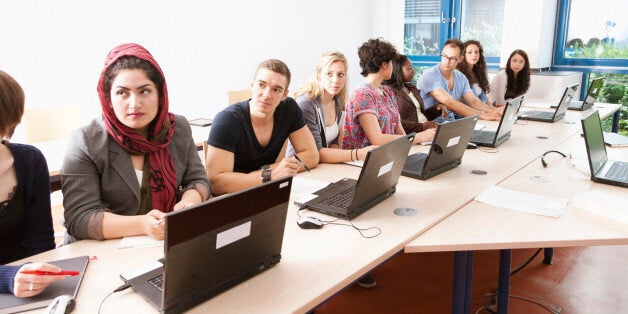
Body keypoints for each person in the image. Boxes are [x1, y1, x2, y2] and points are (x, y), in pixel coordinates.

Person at [62, 43, 210, 243]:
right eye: (122, 93)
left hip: (167, 240)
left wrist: (189, 201)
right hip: (105, 249)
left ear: (160, 95)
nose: (134, 103)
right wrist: (142, 225)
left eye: (145, 91)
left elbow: (198, 180)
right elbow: (80, 218)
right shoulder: (86, 140)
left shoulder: (178, 128)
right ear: (108, 98)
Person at [206, 59, 318, 196]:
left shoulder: (289, 109)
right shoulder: (226, 121)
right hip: (234, 198)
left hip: (267, 190)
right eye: (261, 85)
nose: (266, 95)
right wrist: (269, 175)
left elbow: (311, 156)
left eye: (276, 89)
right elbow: (215, 184)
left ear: (284, 95)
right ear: (252, 85)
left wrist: (272, 174)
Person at [0, 69, 64, 297]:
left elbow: (41, 244)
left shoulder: (29, 161)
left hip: (29, 289)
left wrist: (38, 275)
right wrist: (9, 279)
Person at [341, 38, 436, 150]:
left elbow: (401, 134)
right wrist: (419, 137)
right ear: (384, 64)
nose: (393, 67)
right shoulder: (362, 95)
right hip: (363, 162)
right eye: (391, 62)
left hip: (388, 156)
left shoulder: (387, 92)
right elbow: (377, 139)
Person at [289, 51, 375, 163]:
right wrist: (358, 154)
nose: (335, 80)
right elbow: (316, 152)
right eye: (329, 74)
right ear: (318, 76)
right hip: (301, 169)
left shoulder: (339, 102)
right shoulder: (306, 104)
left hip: (323, 166)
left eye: (340, 74)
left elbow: (334, 141)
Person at [417, 38, 501, 123]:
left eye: (453, 58)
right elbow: (449, 102)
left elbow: (473, 102)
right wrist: (485, 116)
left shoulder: (461, 78)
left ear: (460, 59)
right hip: (430, 128)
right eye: (445, 56)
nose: (447, 61)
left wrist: (496, 113)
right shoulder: (430, 75)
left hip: (451, 125)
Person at [383, 54, 439, 134]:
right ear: (397, 70)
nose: (413, 71)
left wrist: (437, 109)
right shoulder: (388, 91)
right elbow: (394, 122)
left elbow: (418, 115)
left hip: (425, 133)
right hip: (410, 135)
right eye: (409, 68)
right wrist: (422, 126)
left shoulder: (412, 89)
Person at [456, 40, 490, 104]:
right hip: (468, 111)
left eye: (476, 52)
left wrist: (495, 111)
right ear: (463, 55)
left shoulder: (478, 71)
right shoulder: (458, 73)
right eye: (469, 52)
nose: (474, 55)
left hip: (481, 109)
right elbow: (467, 102)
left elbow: (485, 99)